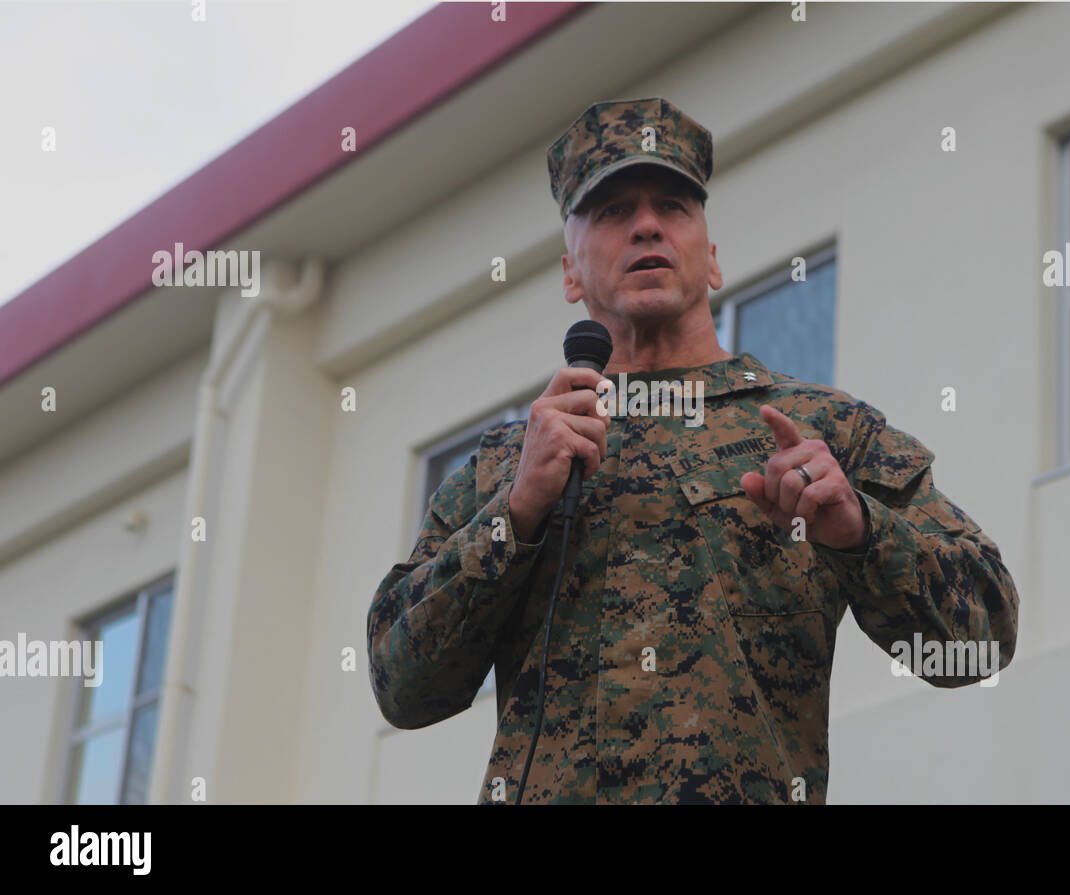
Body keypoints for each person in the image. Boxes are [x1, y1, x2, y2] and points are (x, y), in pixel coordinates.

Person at [367, 97, 1019, 804]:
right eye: (613, 210)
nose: (646, 224)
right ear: (569, 274)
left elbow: (982, 637)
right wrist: (517, 511)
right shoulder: (507, 463)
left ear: (710, 259)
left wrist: (858, 531)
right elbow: (403, 686)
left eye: (672, 206)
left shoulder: (820, 429)